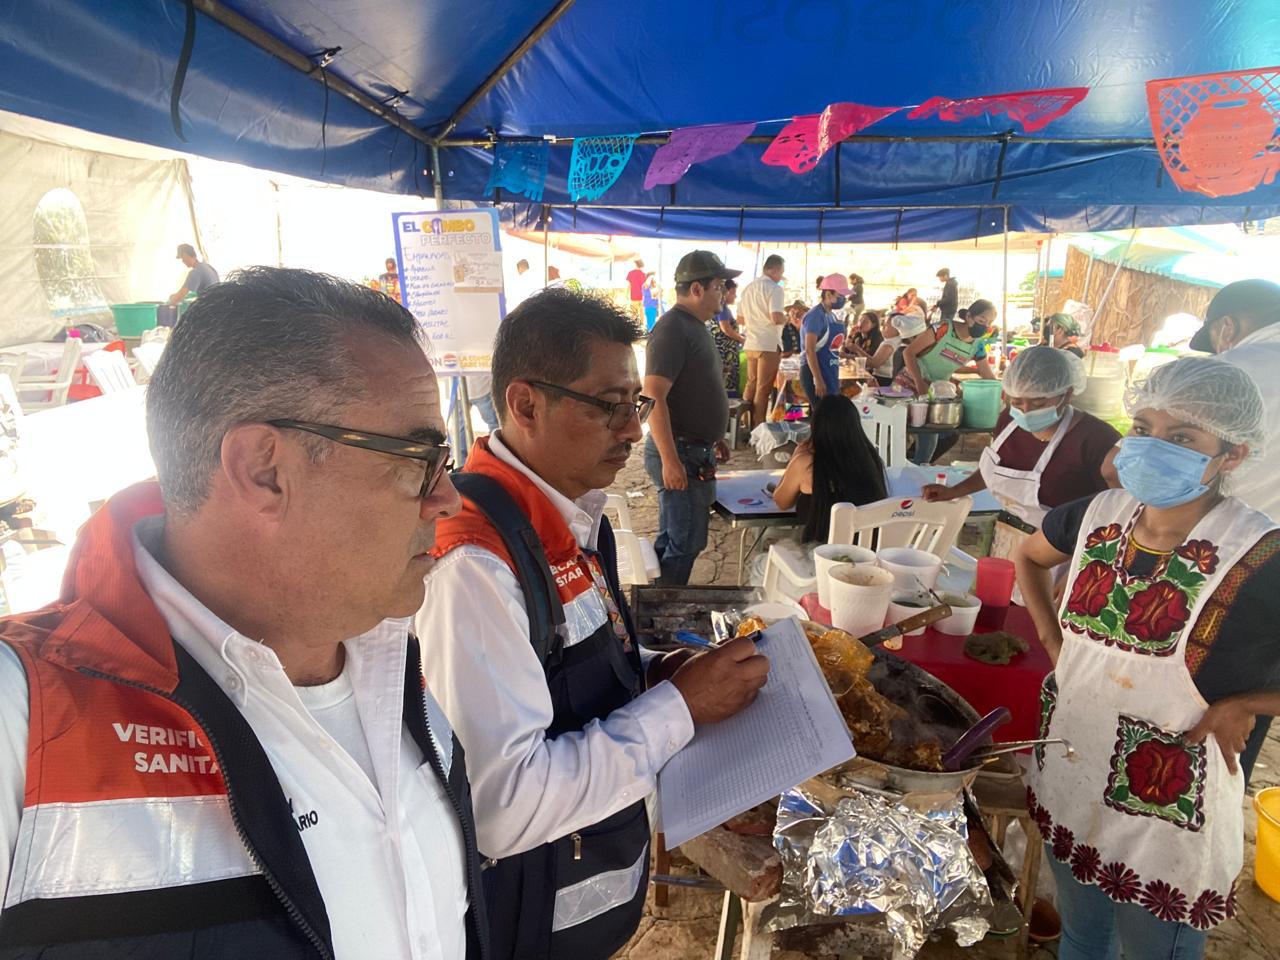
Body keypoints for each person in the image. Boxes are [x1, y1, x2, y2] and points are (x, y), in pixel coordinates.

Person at [0, 267, 487, 958]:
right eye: (420, 458)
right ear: (264, 469)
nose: (448, 501)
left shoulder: (396, 668)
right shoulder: (27, 722)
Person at [418, 289, 769, 960]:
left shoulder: (574, 517)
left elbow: (574, 671)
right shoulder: (474, 563)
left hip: (583, 894)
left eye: (635, 405)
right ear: (524, 404)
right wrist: (680, 709)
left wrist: (660, 672)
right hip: (520, 921)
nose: (634, 430)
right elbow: (503, 807)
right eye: (608, 406)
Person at [1015, 357, 1280, 959]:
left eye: (1182, 437)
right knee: (1082, 938)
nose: (1152, 447)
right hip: (1073, 766)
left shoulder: (1261, 555)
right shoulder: (1095, 515)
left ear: (1232, 454)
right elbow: (1027, 558)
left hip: (1168, 815)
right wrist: (1055, 642)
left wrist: (1250, 703)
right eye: (1142, 428)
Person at [922, 346, 1120, 528]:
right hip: (1008, 531)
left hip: (1065, 550)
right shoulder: (1008, 421)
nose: (1025, 411)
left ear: (1067, 394)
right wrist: (955, 491)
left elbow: (1119, 507)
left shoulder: (1098, 441)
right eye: (1017, 402)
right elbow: (996, 471)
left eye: (1038, 404)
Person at [644, 250, 739, 585]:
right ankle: (662, 613)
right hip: (680, 451)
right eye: (719, 285)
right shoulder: (672, 329)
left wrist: (716, 436)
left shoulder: (695, 326)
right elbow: (652, 396)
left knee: (679, 537)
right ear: (697, 289)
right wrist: (670, 460)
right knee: (684, 541)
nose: (725, 293)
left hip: (694, 449)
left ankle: (655, 604)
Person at [772, 395, 887, 542]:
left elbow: (782, 501)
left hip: (822, 555)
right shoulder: (869, 457)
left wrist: (798, 453)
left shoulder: (807, 462)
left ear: (815, 425)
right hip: (866, 552)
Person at [897, 298, 998, 464]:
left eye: (989, 323)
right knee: (898, 434)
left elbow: (987, 375)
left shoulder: (978, 345)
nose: (984, 326)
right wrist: (919, 383)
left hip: (937, 394)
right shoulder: (943, 328)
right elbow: (908, 353)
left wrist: (1002, 395)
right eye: (981, 320)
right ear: (969, 317)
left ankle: (917, 474)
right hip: (908, 384)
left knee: (928, 443)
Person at [739, 254, 787, 427]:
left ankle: (745, 422)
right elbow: (776, 317)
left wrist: (756, 319)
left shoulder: (748, 288)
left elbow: (740, 319)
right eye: (781, 271)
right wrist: (786, 318)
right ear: (773, 269)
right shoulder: (775, 289)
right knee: (763, 387)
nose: (781, 275)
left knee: (751, 383)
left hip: (751, 341)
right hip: (767, 342)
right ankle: (758, 427)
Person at [801, 274, 850, 407]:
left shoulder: (831, 315)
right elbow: (810, 349)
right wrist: (818, 380)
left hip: (829, 369)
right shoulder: (815, 316)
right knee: (822, 414)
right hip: (814, 371)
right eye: (840, 296)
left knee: (831, 414)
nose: (843, 299)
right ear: (828, 294)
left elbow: (831, 347)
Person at [708, 278, 745, 393]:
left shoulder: (724, 307)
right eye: (733, 293)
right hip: (724, 352)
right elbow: (726, 329)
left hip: (727, 351)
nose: (735, 296)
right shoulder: (722, 307)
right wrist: (742, 339)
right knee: (725, 383)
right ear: (726, 292)